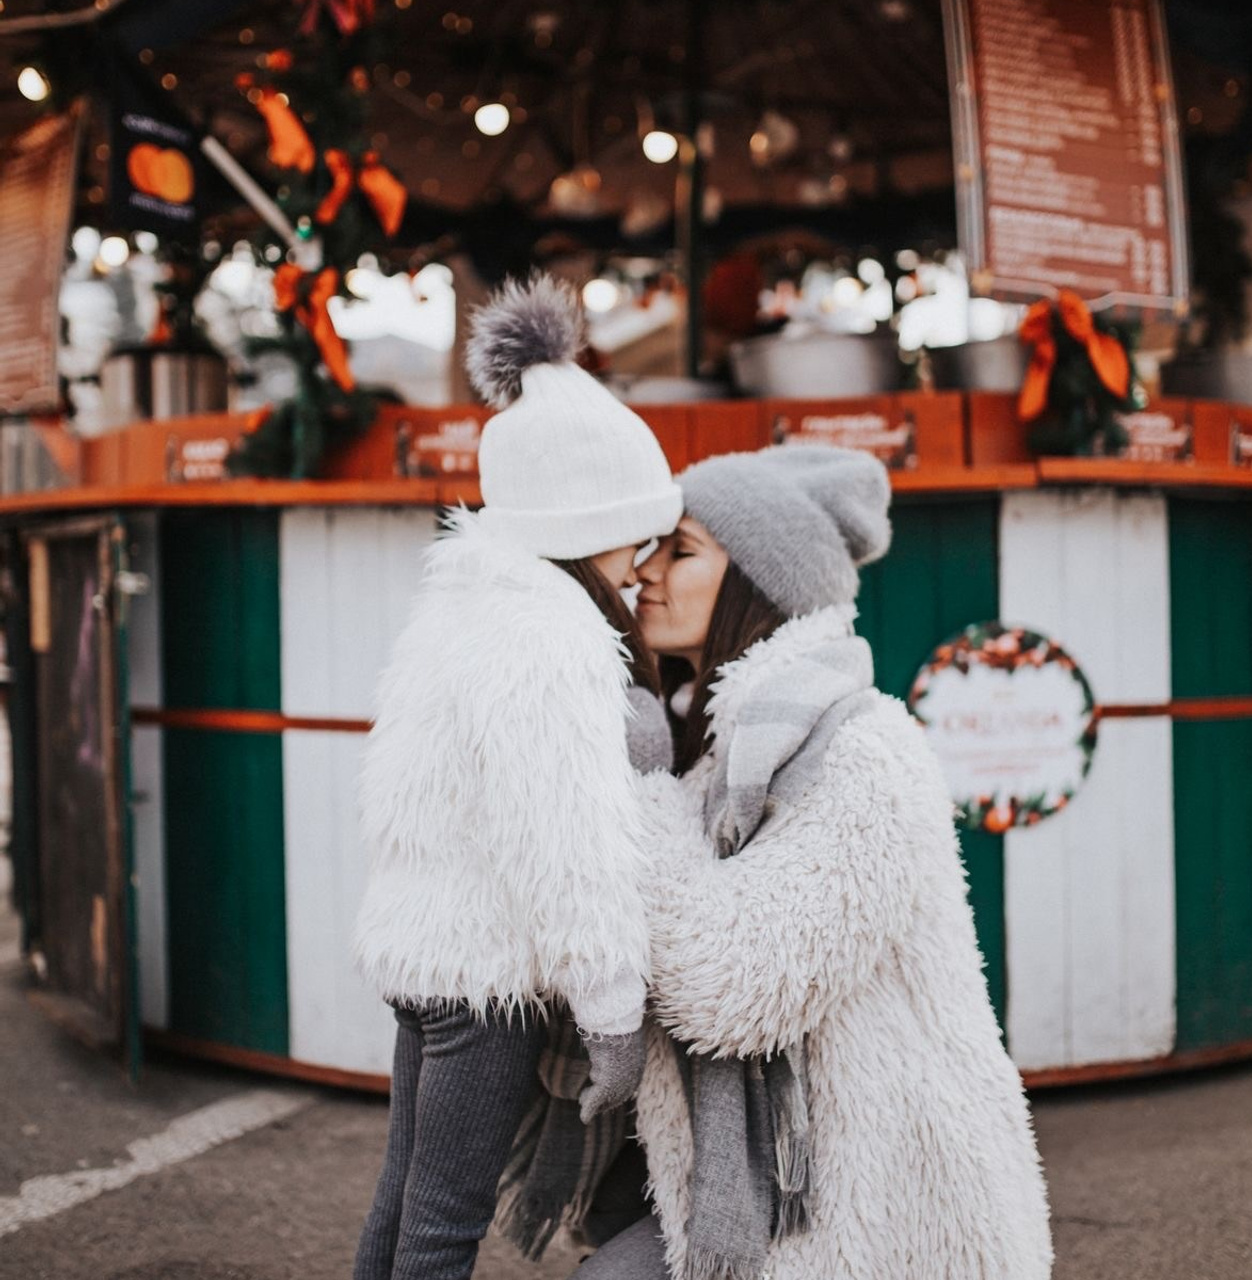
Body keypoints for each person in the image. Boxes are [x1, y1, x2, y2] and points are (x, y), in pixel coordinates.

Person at [576, 444, 1053, 1280]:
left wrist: (641, 790)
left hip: (894, 1207)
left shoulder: (864, 752)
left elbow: (734, 986)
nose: (646, 573)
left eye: (681, 550)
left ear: (762, 583)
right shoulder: (713, 759)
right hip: (800, 1188)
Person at [351, 274, 682, 1280]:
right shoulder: (551, 639)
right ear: (584, 528)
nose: (643, 567)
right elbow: (566, 847)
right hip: (484, 971)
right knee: (442, 1222)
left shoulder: (466, 599)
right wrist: (613, 1014)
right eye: (635, 543)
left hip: (420, 950)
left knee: (407, 1188)